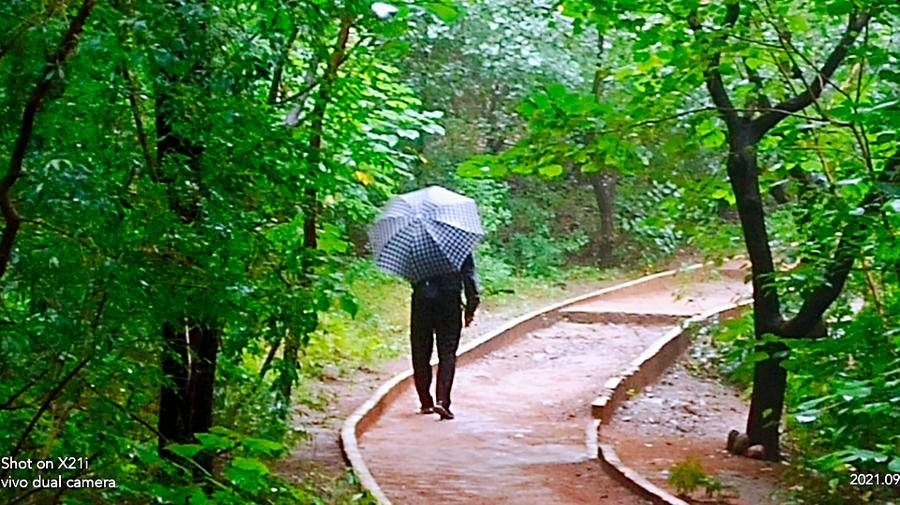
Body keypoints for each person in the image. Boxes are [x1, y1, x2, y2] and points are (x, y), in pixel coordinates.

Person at [410, 254, 479, 420]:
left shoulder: (416, 245)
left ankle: (425, 402)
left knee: (420, 351)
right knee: (447, 353)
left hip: (422, 302)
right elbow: (469, 278)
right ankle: (442, 401)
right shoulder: (457, 245)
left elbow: (410, 276)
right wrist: (471, 307)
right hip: (449, 302)